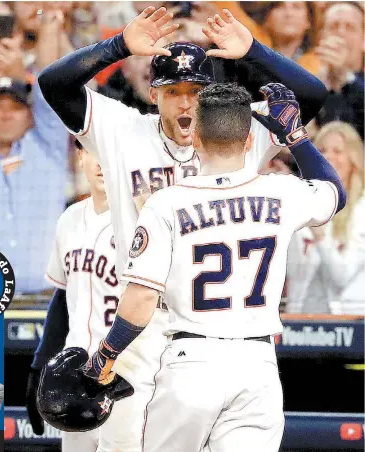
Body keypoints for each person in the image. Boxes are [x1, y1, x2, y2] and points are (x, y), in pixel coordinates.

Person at [36, 3, 326, 439]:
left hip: (211, 325)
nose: (185, 102)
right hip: (139, 320)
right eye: (173, 91)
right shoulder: (123, 129)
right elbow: (53, 85)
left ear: (210, 95)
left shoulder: (235, 131)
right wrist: (118, 46)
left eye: (195, 91)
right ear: (154, 94)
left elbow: (312, 96)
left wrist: (252, 50)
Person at [85, 82, 346, 452]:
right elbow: (335, 191)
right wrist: (295, 136)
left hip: (192, 362)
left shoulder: (166, 203)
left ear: (196, 138)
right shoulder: (282, 192)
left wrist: (105, 357)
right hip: (257, 365)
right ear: (246, 141)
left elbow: (141, 298)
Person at [26, 142, 150, 451]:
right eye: (93, 151)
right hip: (75, 378)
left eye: (111, 152)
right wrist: (39, 365)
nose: (102, 162)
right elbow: (64, 298)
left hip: (130, 377)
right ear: (80, 157)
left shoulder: (147, 219)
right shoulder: (69, 219)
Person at [0, 77, 69, 294]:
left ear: (30, 116)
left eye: (16, 108)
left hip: (46, 301)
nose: (6, 115)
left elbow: (50, 92)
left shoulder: (48, 151)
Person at [286, 121, 364, 314]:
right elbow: (290, 271)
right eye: (321, 150)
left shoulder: (361, 210)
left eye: (337, 151)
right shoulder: (301, 203)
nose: (328, 157)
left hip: (349, 325)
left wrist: (320, 235)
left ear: (353, 159)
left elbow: (342, 276)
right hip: (300, 321)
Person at [315, 2, 364, 139]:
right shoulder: (306, 85)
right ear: (321, 38)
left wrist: (344, 77)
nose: (341, 33)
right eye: (333, 26)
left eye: (350, 27)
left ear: (363, 40)